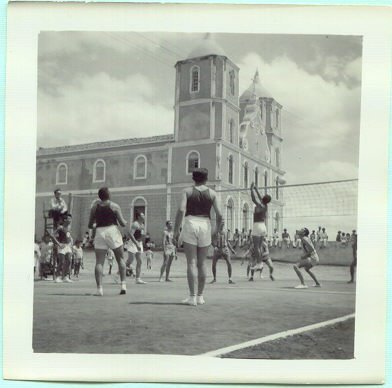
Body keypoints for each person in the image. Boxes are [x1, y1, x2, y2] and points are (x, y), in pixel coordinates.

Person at [174, 168, 223, 306]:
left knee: (191, 263)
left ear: (193, 178)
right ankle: (200, 296)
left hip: (190, 223)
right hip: (205, 225)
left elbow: (182, 210)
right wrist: (216, 232)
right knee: (202, 263)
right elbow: (220, 216)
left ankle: (192, 297)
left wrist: (176, 230)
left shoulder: (187, 191)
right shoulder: (213, 193)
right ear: (206, 179)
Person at [88, 187, 127, 296]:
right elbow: (122, 223)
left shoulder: (94, 207)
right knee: (120, 259)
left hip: (100, 232)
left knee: (99, 262)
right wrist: (125, 221)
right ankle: (123, 285)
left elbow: (90, 225)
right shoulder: (114, 206)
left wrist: (97, 224)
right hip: (112, 230)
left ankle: (99, 289)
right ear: (108, 195)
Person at [249, 182, 271, 270]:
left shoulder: (260, 205)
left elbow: (254, 199)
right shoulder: (265, 206)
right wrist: (256, 189)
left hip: (257, 225)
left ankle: (259, 263)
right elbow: (260, 197)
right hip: (263, 226)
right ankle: (260, 262)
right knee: (260, 246)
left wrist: (251, 190)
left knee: (256, 247)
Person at [50, 214, 74, 283]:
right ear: (65, 220)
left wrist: (71, 243)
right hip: (61, 246)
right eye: (69, 219)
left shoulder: (69, 228)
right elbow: (52, 235)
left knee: (69, 261)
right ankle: (57, 277)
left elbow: (68, 236)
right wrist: (59, 244)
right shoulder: (60, 227)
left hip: (68, 246)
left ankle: (65, 277)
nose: (70, 220)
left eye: (71, 219)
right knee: (62, 262)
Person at [126, 212, 147, 284]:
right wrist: (136, 243)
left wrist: (142, 241)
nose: (144, 216)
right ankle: (117, 275)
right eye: (142, 215)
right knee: (130, 261)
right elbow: (130, 234)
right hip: (132, 243)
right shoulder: (135, 224)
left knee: (139, 261)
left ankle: (137, 279)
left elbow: (142, 234)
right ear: (138, 217)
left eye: (144, 215)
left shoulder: (143, 225)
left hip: (139, 243)